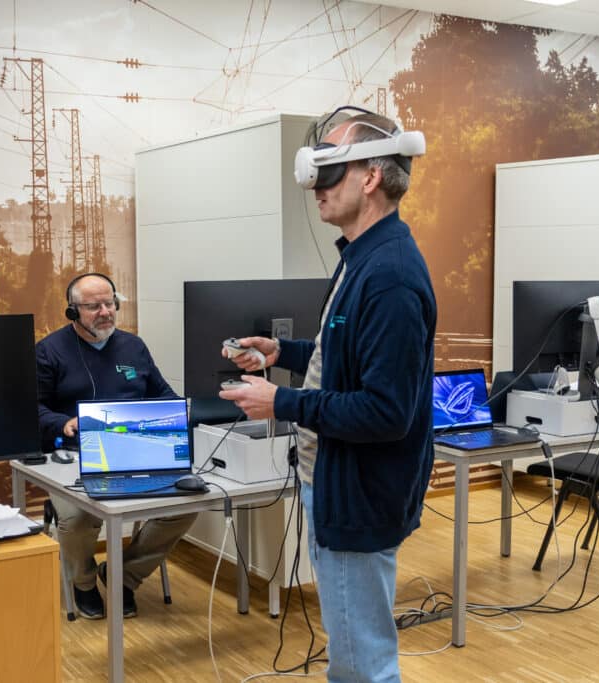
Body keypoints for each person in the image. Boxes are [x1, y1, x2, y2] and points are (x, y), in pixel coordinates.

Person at [220, 111, 436, 682]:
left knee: (362, 661)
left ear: (369, 177)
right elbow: (345, 353)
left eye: (328, 171)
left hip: (357, 493)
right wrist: (282, 354)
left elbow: (387, 412)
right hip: (335, 481)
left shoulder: (388, 274)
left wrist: (280, 403)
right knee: (351, 647)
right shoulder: (361, 256)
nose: (315, 187)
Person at [36, 272, 196, 619]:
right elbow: (32, 408)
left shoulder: (133, 346)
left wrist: (181, 413)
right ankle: (83, 583)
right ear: (73, 312)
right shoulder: (49, 351)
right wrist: (62, 422)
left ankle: (123, 576)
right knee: (79, 516)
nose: (105, 311)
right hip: (72, 455)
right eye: (94, 306)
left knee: (185, 505)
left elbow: (162, 396)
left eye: (110, 303)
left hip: (135, 451)